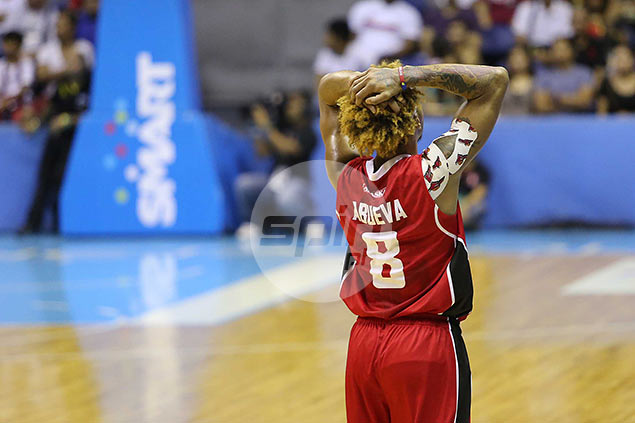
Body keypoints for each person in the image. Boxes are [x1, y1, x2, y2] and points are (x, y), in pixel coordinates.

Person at [318, 61, 508, 422]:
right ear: (417, 122)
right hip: (424, 345)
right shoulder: (433, 172)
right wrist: (403, 77)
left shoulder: (345, 176)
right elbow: (495, 81)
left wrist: (367, 91)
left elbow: (328, 90)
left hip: (363, 347)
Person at [20, 10, 93, 234]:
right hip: (56, 125)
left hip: (77, 126)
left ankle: (64, 224)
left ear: (73, 27)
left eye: (63, 25)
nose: (58, 29)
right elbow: (44, 80)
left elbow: (83, 86)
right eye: (57, 25)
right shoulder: (55, 65)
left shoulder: (83, 51)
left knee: (65, 176)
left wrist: (69, 119)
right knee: (46, 175)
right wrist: (39, 119)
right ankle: (33, 224)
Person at [234, 91, 317, 238]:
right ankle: (254, 224)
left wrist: (267, 127)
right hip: (274, 180)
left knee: (287, 197)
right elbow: (262, 152)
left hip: (296, 182)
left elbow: (291, 148)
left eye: (295, 105)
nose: (290, 108)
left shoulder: (308, 133)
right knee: (244, 184)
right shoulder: (280, 129)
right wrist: (258, 129)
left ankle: (309, 222)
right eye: (289, 105)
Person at [347, 0, 423, 66]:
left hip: (391, 60)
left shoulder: (409, 12)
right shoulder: (363, 7)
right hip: (359, 58)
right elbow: (351, 35)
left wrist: (390, 58)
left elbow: (410, 44)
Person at [532, 38, 594, 113]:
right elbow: (541, 105)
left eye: (563, 49)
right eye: (556, 50)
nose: (560, 53)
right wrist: (573, 100)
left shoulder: (584, 73)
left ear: (572, 51)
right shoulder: (543, 76)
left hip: (581, 118)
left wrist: (557, 99)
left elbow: (585, 101)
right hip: (552, 119)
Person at [313, 18, 365, 83]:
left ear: (339, 38)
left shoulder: (360, 54)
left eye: (329, 36)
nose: (325, 39)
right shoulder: (324, 54)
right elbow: (319, 81)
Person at [0, 31, 35, 120]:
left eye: (12, 44)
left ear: (19, 45)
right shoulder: (1, 65)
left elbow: (25, 87)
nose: (8, 48)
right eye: (6, 44)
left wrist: (9, 100)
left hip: (21, 104)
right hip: (3, 103)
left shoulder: (27, 63)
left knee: (27, 115)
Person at [597, 45, 635, 114]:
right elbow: (601, 113)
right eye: (619, 58)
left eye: (626, 57)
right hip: (612, 121)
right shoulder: (606, 83)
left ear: (632, 59)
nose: (623, 62)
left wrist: (630, 116)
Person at [502, 45, 534, 114]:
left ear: (527, 60)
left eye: (520, 57)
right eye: (514, 57)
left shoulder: (536, 83)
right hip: (505, 119)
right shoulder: (502, 85)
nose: (517, 60)